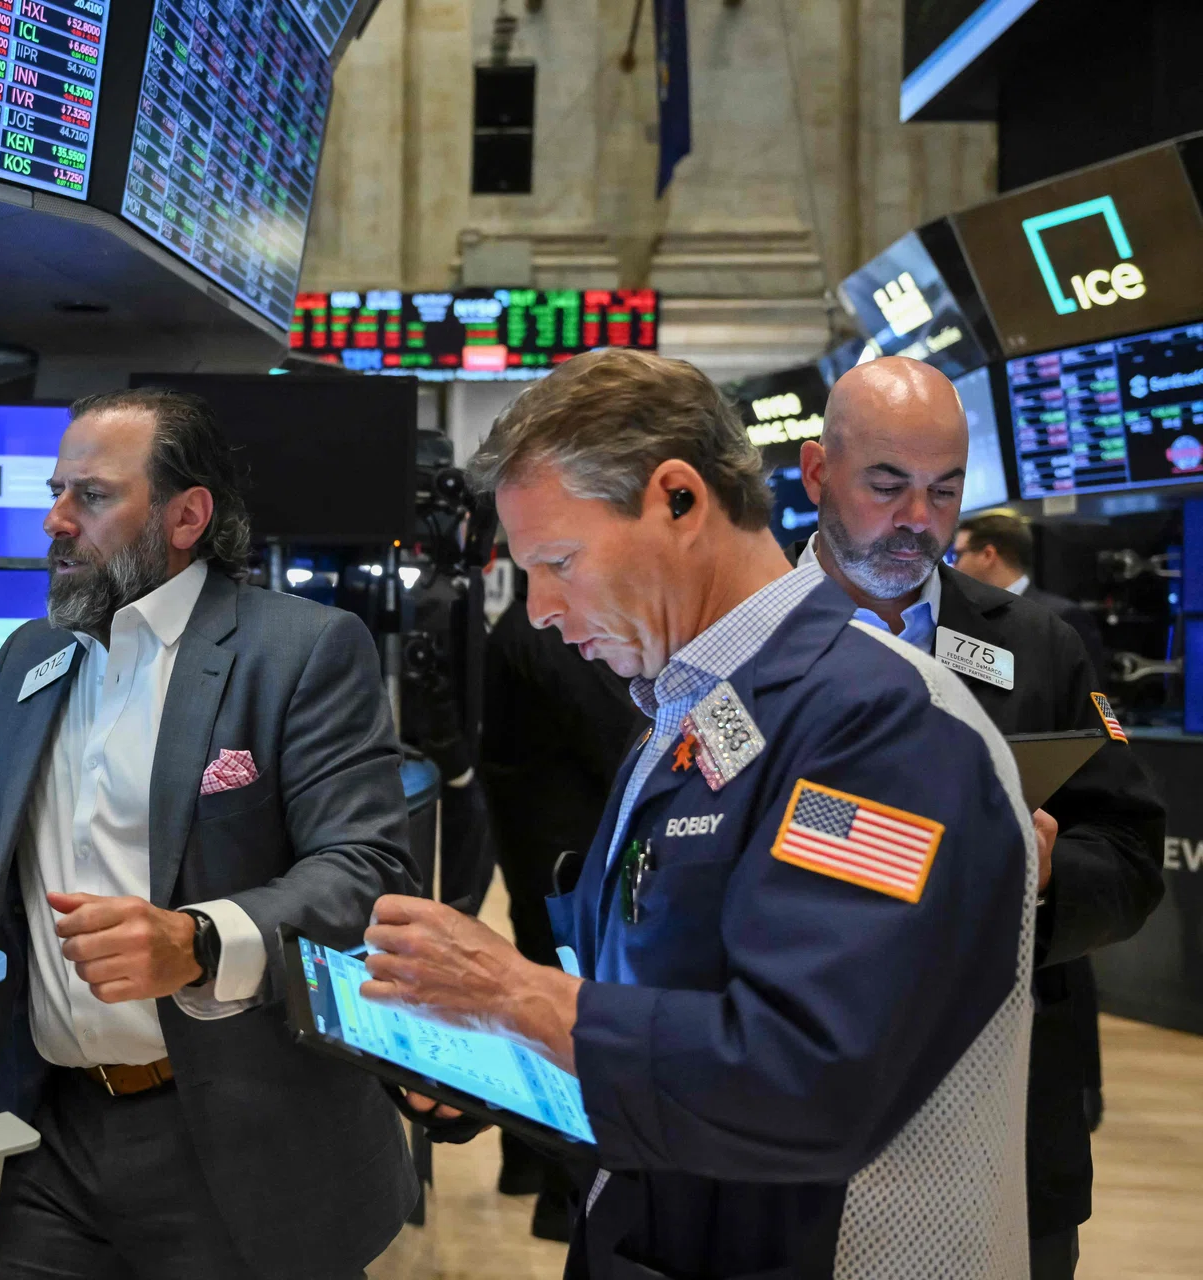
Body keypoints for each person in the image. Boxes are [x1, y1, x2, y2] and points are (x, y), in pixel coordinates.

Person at [358, 348, 1038, 1279]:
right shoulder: (691, 712)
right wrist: (498, 1045)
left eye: (559, 562)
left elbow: (810, 1076)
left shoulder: (881, 726)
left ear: (677, 498)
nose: (542, 610)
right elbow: (661, 993)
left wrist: (521, 997)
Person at [0, 388, 420, 1280]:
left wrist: (198, 941)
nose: (55, 520)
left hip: (234, 1137)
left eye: (90, 496)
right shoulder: (36, 653)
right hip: (51, 1129)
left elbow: (365, 869)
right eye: (56, 492)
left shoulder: (300, 650)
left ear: (185, 517)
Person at [793, 358, 1165, 1279]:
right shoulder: (737, 638)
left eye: (944, 490)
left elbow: (1130, 854)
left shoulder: (1038, 646)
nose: (918, 519)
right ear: (817, 473)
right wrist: (907, 847)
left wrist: (1043, 876)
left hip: (1006, 1130)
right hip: (795, 1128)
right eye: (887, 486)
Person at [477, 575, 642, 1238]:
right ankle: (558, 1196)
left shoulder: (525, 628)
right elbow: (618, 739)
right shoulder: (546, 631)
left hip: (538, 851)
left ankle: (526, 1168)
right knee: (558, 1025)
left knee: (541, 1013)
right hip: (561, 861)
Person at [953, 510, 1109, 689]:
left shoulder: (1063, 618)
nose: (955, 566)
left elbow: (1090, 694)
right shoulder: (965, 617)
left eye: (959, 555)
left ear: (988, 555)